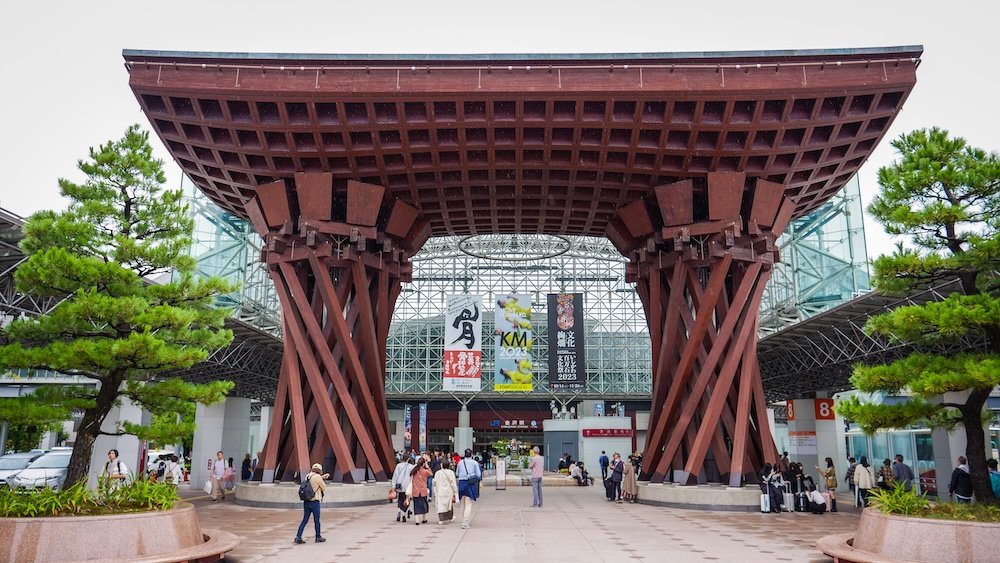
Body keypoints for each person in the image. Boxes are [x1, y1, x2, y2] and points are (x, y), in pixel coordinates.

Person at [293, 463, 329, 544]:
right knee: (317, 520)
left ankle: (298, 537)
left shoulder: (308, 476)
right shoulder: (318, 477)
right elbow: (324, 487)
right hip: (314, 501)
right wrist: (322, 479)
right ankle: (318, 536)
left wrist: (321, 478)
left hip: (307, 500)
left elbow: (313, 481)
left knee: (305, 520)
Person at [456, 448, 482, 529]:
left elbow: (457, 473)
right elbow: (478, 474)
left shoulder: (460, 462)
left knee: (463, 503)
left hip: (461, 483)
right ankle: (465, 522)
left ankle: (463, 519)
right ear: (471, 454)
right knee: (468, 503)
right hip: (470, 483)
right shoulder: (474, 463)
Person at [408, 457, 433, 525]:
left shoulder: (414, 471)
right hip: (423, 491)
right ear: (423, 464)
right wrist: (427, 467)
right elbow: (431, 474)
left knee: (416, 505)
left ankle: (417, 520)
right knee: (424, 505)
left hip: (415, 491)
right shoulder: (425, 471)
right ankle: (424, 519)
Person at [433, 459, 459, 524]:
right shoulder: (451, 472)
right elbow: (453, 483)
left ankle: (441, 519)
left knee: (440, 505)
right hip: (448, 491)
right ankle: (449, 517)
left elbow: (434, 482)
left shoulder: (438, 473)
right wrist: (455, 491)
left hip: (440, 491)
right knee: (448, 505)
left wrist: (434, 491)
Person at [391, 456, 415, 523]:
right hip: (407, 486)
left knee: (400, 499)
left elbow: (395, 475)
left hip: (400, 485)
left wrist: (393, 485)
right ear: (408, 459)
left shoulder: (398, 466)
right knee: (407, 500)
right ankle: (403, 514)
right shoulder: (411, 466)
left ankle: (399, 511)